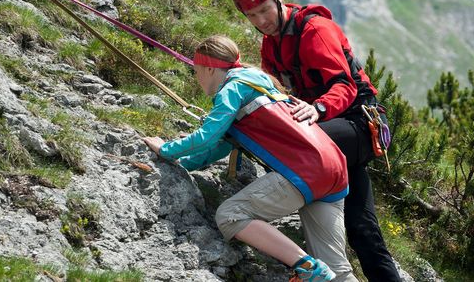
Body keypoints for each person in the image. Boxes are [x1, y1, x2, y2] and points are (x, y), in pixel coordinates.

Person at [232, 0, 401, 281]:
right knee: (362, 229)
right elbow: (276, 90)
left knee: (298, 146)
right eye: (252, 16)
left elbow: (345, 86)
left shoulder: (316, 30)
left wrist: (317, 109)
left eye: (265, 10)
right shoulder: (271, 45)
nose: (261, 21)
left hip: (358, 125)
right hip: (334, 133)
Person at [143, 35, 357, 282]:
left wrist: (165, 150)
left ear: (209, 69)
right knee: (338, 271)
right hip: (334, 169)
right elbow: (221, 146)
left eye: (196, 71)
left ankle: (307, 268)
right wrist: (182, 164)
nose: (196, 78)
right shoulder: (258, 80)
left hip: (305, 172)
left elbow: (208, 136)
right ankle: (321, 271)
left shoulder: (231, 89)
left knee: (230, 215)